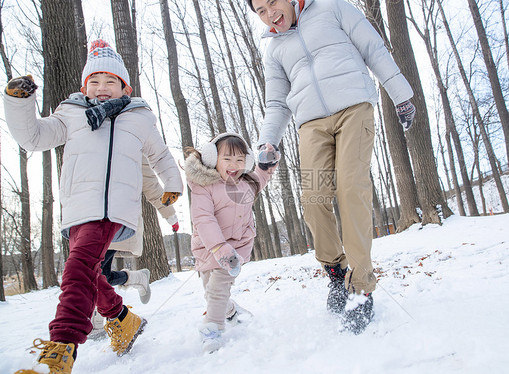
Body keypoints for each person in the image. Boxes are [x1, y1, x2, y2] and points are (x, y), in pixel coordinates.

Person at [5, 39, 183, 374]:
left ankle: (61, 349)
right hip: (77, 209)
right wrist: (20, 103)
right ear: (85, 86)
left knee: (76, 271)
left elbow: (159, 155)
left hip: (113, 210)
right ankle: (121, 319)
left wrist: (172, 187)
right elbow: (34, 138)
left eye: (111, 82)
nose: (102, 88)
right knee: (90, 272)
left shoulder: (138, 117)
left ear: (124, 87)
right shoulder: (71, 114)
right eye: (95, 82)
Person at [246, 0, 416, 334]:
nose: (270, 15)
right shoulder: (274, 50)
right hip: (310, 124)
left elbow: (372, 47)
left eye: (272, 4)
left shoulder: (334, 7)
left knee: (351, 188)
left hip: (354, 107)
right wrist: (269, 141)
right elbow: (277, 102)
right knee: (313, 199)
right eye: (261, 11)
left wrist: (401, 94)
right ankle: (336, 273)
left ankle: (362, 283)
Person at [184, 133, 278, 353]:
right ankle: (232, 312)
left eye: (239, 160)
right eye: (227, 159)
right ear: (212, 158)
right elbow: (203, 218)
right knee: (211, 290)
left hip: (236, 248)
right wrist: (218, 248)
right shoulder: (203, 186)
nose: (234, 165)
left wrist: (268, 161)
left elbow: (262, 177)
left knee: (217, 288)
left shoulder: (247, 183)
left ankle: (212, 329)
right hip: (208, 248)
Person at [89, 159, 180, 340]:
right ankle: (135, 279)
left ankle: (98, 321)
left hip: (117, 221)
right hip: (89, 218)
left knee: (93, 272)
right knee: (98, 273)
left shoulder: (133, 147)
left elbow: (153, 188)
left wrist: (171, 216)